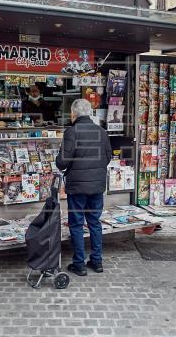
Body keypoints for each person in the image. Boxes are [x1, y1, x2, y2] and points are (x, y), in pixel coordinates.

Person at [56, 99, 112, 276]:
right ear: (89, 113)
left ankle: (79, 264)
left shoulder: (71, 132)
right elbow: (108, 157)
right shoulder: (102, 132)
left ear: (74, 114)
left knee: (77, 224)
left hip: (77, 187)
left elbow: (62, 163)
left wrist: (60, 159)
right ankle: (97, 262)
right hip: (96, 186)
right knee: (95, 223)